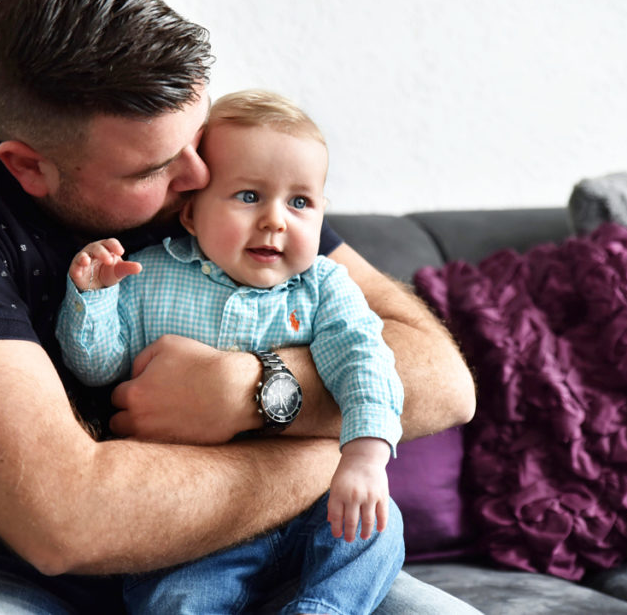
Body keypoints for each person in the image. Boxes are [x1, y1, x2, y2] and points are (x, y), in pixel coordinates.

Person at [0, 0, 477, 612]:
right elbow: (65, 522)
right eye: (155, 169)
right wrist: (338, 449)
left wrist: (253, 390)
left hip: (243, 541)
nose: (201, 176)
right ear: (28, 167)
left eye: (197, 137)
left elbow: (443, 381)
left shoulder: (205, 172)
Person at [57, 90, 404, 614]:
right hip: (195, 522)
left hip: (310, 500)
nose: (275, 220)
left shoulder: (324, 287)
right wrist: (96, 297)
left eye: (300, 202)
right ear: (191, 213)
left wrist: (364, 456)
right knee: (177, 597)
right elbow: (96, 367)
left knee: (378, 529)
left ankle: (323, 609)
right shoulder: (149, 276)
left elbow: (364, 361)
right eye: (248, 196)